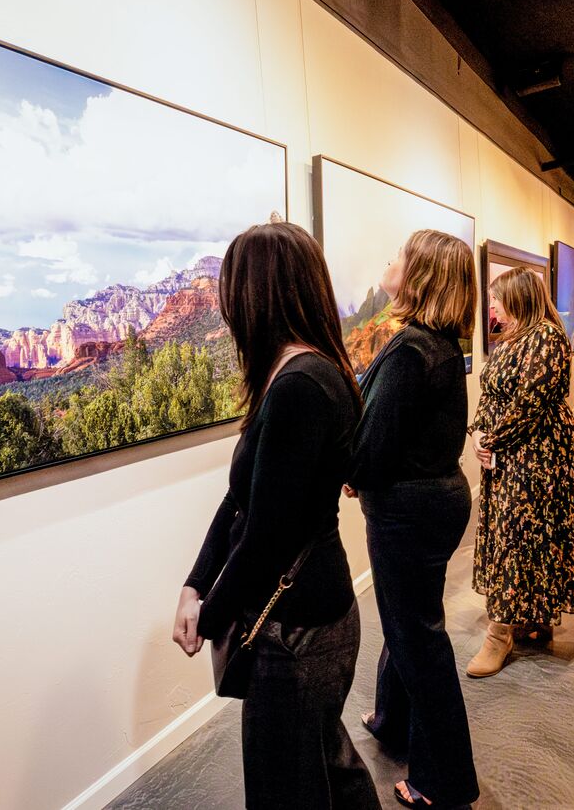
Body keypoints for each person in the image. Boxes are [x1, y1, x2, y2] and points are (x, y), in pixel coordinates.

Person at [171, 222, 379, 809]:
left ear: (257, 294)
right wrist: (194, 583)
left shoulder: (299, 386)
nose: (226, 307)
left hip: (295, 632)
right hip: (309, 618)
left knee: (286, 789)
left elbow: (265, 535)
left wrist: (208, 615)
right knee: (328, 767)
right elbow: (240, 500)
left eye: (232, 289)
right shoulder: (302, 373)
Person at [347, 230, 479, 809]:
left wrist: (354, 470)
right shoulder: (439, 343)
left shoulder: (411, 349)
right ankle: (392, 720)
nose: (390, 260)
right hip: (433, 501)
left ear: (420, 274)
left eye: (400, 254)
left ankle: (443, 783)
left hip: (408, 510)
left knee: (417, 638)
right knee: (409, 622)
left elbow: (373, 444)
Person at [467, 267, 574, 678]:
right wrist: (478, 432)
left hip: (540, 454)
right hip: (508, 450)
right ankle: (531, 615)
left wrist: (491, 440)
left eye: (496, 298)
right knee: (513, 532)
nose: (491, 306)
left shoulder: (547, 337)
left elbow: (529, 402)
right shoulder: (509, 338)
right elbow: (490, 394)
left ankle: (500, 633)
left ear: (518, 297)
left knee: (522, 535)